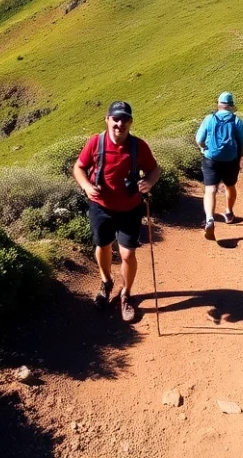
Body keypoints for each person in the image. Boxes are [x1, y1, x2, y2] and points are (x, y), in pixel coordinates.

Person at [73, 100, 161, 323]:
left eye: (124, 119)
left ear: (130, 122)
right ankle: (106, 281)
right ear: (107, 119)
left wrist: (148, 183)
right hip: (100, 206)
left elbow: (154, 170)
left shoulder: (138, 146)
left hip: (130, 208)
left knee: (128, 254)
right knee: (102, 246)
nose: (119, 123)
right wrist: (86, 186)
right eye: (115, 119)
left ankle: (126, 295)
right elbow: (79, 167)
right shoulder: (95, 142)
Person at [195, 91, 243, 240]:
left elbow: (199, 139)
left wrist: (203, 148)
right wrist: (242, 156)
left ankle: (210, 219)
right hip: (231, 160)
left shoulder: (209, 119)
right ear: (232, 106)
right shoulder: (237, 121)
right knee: (230, 186)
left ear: (219, 105)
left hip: (210, 158)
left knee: (210, 189)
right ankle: (229, 212)